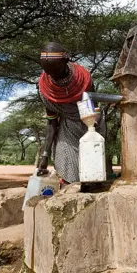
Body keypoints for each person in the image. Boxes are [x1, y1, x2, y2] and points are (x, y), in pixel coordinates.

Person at [37, 42, 96, 185]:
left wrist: (93, 134)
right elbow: (51, 122)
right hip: (67, 129)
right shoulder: (46, 91)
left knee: (92, 170)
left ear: (66, 60)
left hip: (90, 125)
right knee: (67, 165)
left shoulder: (84, 81)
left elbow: (93, 110)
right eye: (48, 72)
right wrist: (45, 155)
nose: (53, 76)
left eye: (56, 70)